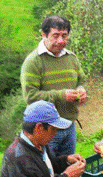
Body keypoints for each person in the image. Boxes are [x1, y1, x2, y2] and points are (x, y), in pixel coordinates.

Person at [21, 15, 88, 157]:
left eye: (64, 36)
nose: (60, 41)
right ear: (43, 34)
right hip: (45, 129)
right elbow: (30, 97)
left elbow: (81, 80)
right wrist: (60, 95)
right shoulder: (33, 61)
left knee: (67, 168)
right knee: (48, 171)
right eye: (55, 35)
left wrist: (81, 90)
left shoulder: (71, 58)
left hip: (69, 125)